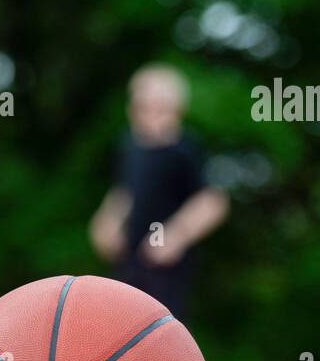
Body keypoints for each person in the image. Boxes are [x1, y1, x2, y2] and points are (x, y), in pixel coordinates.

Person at [88, 63, 227, 321]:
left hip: (165, 267)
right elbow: (124, 192)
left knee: (160, 333)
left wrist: (175, 235)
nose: (150, 115)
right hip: (129, 260)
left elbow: (211, 201)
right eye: (143, 106)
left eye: (159, 107)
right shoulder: (129, 148)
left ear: (177, 110)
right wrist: (107, 221)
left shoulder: (185, 149)